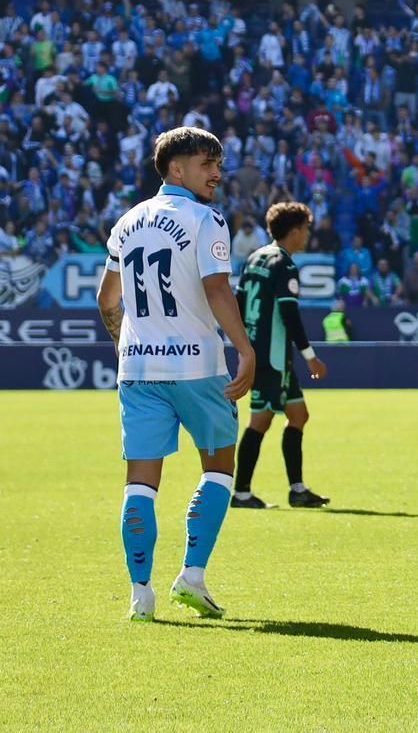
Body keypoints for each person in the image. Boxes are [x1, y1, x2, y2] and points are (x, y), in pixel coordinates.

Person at [96, 127, 256, 621]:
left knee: (140, 484)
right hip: (197, 369)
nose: (216, 173)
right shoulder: (206, 219)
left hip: (137, 371)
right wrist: (246, 350)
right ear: (175, 168)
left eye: (218, 164)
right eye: (206, 163)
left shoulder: (127, 221)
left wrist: (128, 345)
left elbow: (107, 300)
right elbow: (217, 291)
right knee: (218, 469)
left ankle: (140, 593)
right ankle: (192, 576)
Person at [231, 202, 331, 510]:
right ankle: (242, 493)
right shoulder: (284, 264)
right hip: (272, 358)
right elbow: (290, 314)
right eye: (306, 230)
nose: (307, 236)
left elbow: (237, 301)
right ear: (296, 231)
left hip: (261, 353)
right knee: (260, 421)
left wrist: (242, 345)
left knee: (298, 415)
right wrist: (310, 355)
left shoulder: (256, 258)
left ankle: (297, 490)